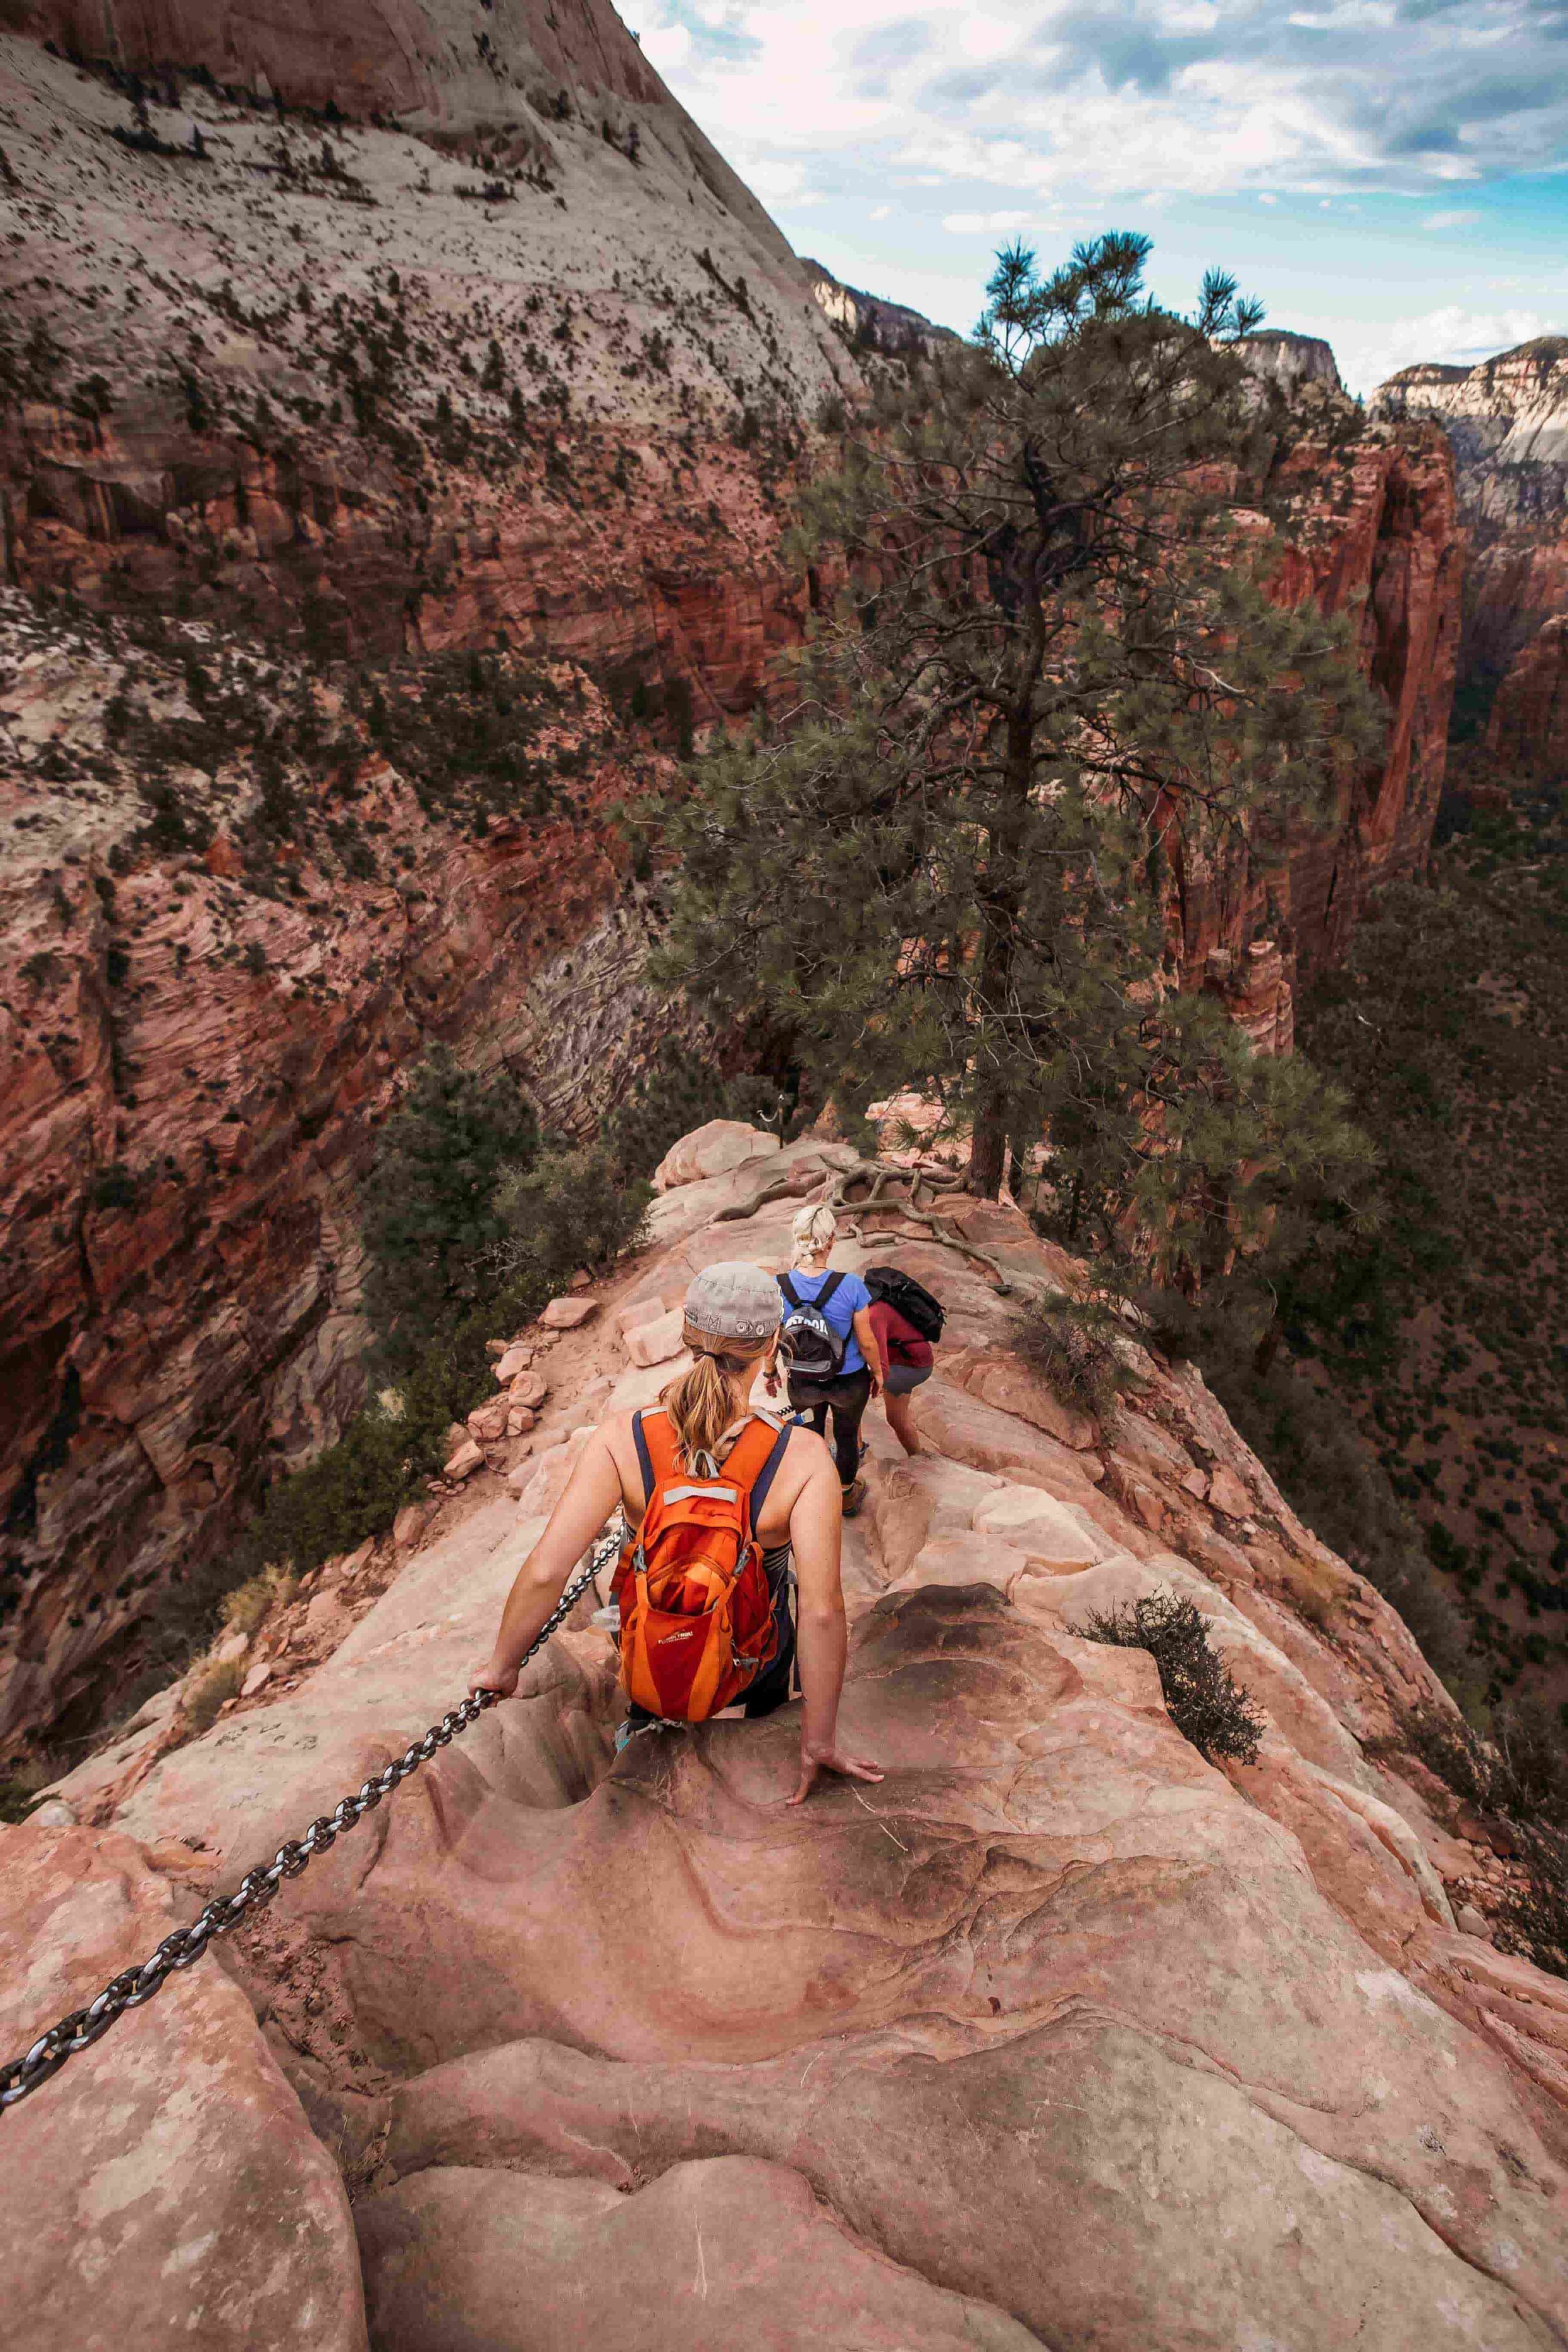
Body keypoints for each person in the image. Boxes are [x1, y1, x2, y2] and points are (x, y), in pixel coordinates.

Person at [470, 1260, 882, 1805]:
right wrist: (818, 1740)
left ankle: (646, 1718)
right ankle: (756, 1719)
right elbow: (823, 1610)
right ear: (771, 1345)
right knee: (771, 1631)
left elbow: (549, 1570)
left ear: (687, 1337)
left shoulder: (623, 1439)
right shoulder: (801, 1458)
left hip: (651, 1641)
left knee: (648, 1623)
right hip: (751, 1660)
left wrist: (503, 1666)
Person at [773, 1205, 884, 1516]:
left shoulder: (779, 1286)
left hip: (803, 1381)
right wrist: (877, 1373)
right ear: (831, 1241)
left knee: (810, 1436)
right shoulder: (851, 1286)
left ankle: (812, 1499)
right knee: (847, 1437)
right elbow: (866, 1340)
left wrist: (770, 1371)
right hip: (848, 1381)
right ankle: (845, 1496)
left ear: (798, 1241)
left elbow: (774, 1337)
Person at [866, 1287, 935, 1457]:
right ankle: (917, 1455)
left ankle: (854, 1451)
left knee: (851, 1396)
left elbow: (880, 1363)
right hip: (914, 1360)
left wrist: (871, 1386)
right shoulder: (880, 1304)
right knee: (897, 1418)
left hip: (910, 1366)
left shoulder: (875, 1313)